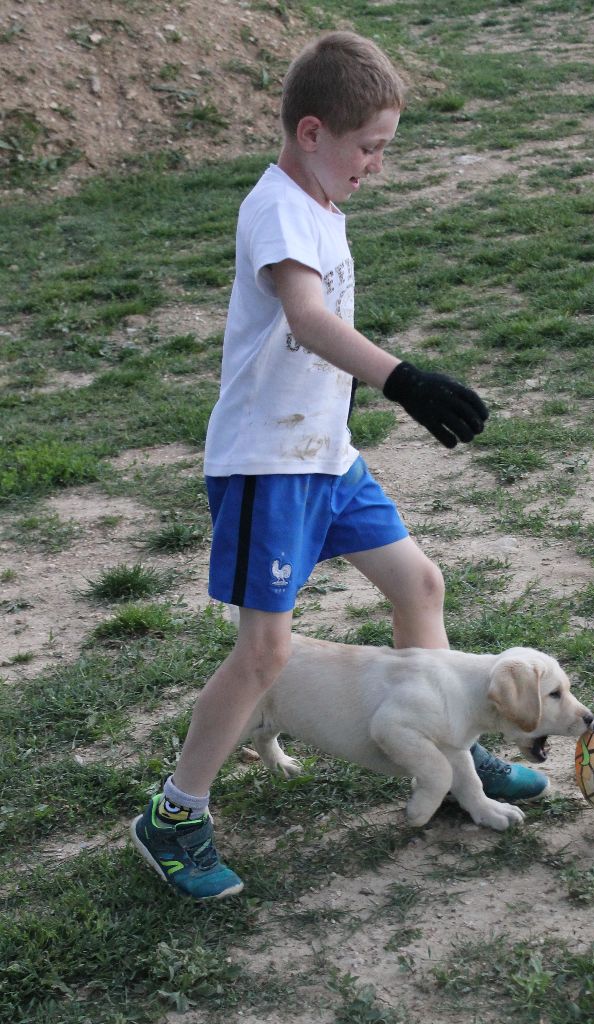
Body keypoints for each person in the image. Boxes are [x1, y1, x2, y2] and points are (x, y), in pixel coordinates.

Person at [131, 31, 548, 900]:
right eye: (369, 149)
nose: (375, 166)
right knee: (265, 654)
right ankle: (174, 814)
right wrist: (405, 378)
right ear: (312, 132)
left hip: (324, 457)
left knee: (417, 586)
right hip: (266, 467)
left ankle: (451, 761)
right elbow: (309, 320)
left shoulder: (318, 201)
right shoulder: (280, 208)